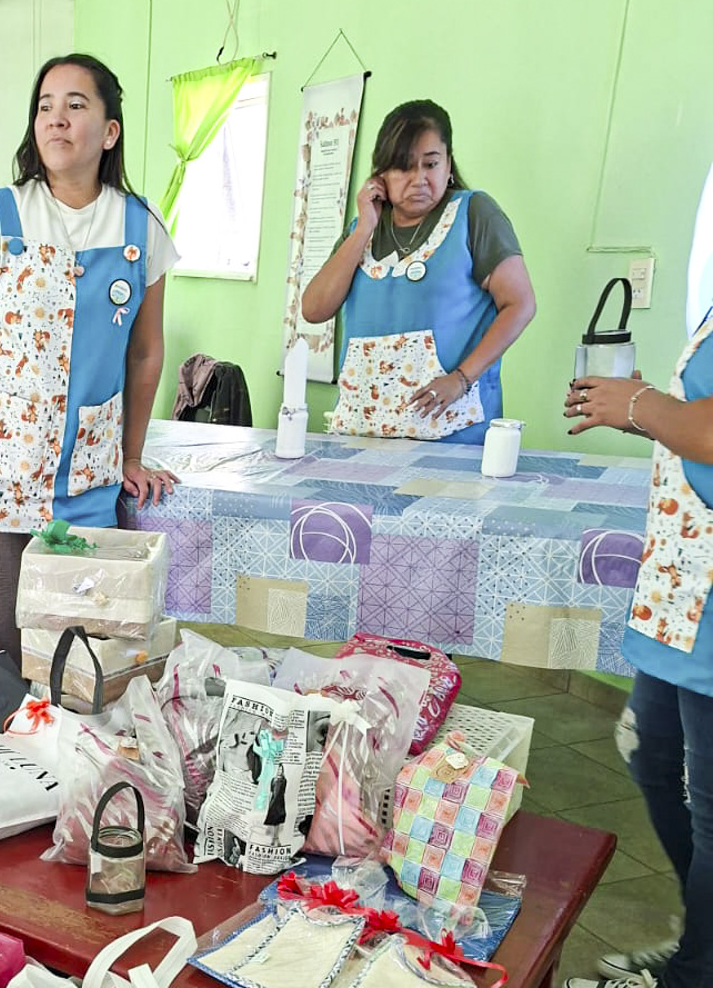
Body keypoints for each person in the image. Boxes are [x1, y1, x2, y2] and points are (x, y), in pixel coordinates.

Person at [0, 54, 179, 665]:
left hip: (85, 480)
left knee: (80, 650)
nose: (56, 119)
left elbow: (145, 354)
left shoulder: (140, 228)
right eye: (45, 106)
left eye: (75, 105)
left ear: (109, 131)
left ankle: (63, 733)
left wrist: (131, 454)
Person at [561, 327, 712, 988]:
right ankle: (703, 939)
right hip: (683, 582)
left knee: (708, 804)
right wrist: (646, 411)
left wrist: (639, 403)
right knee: (648, 751)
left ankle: (695, 971)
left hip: (706, 598)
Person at [301, 100, 536, 444]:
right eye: (404, 167)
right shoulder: (362, 229)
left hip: (452, 435)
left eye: (430, 164)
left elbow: (520, 304)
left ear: (448, 164)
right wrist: (365, 226)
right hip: (363, 433)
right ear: (380, 175)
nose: (419, 179)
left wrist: (461, 379)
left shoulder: (473, 214)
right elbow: (314, 309)